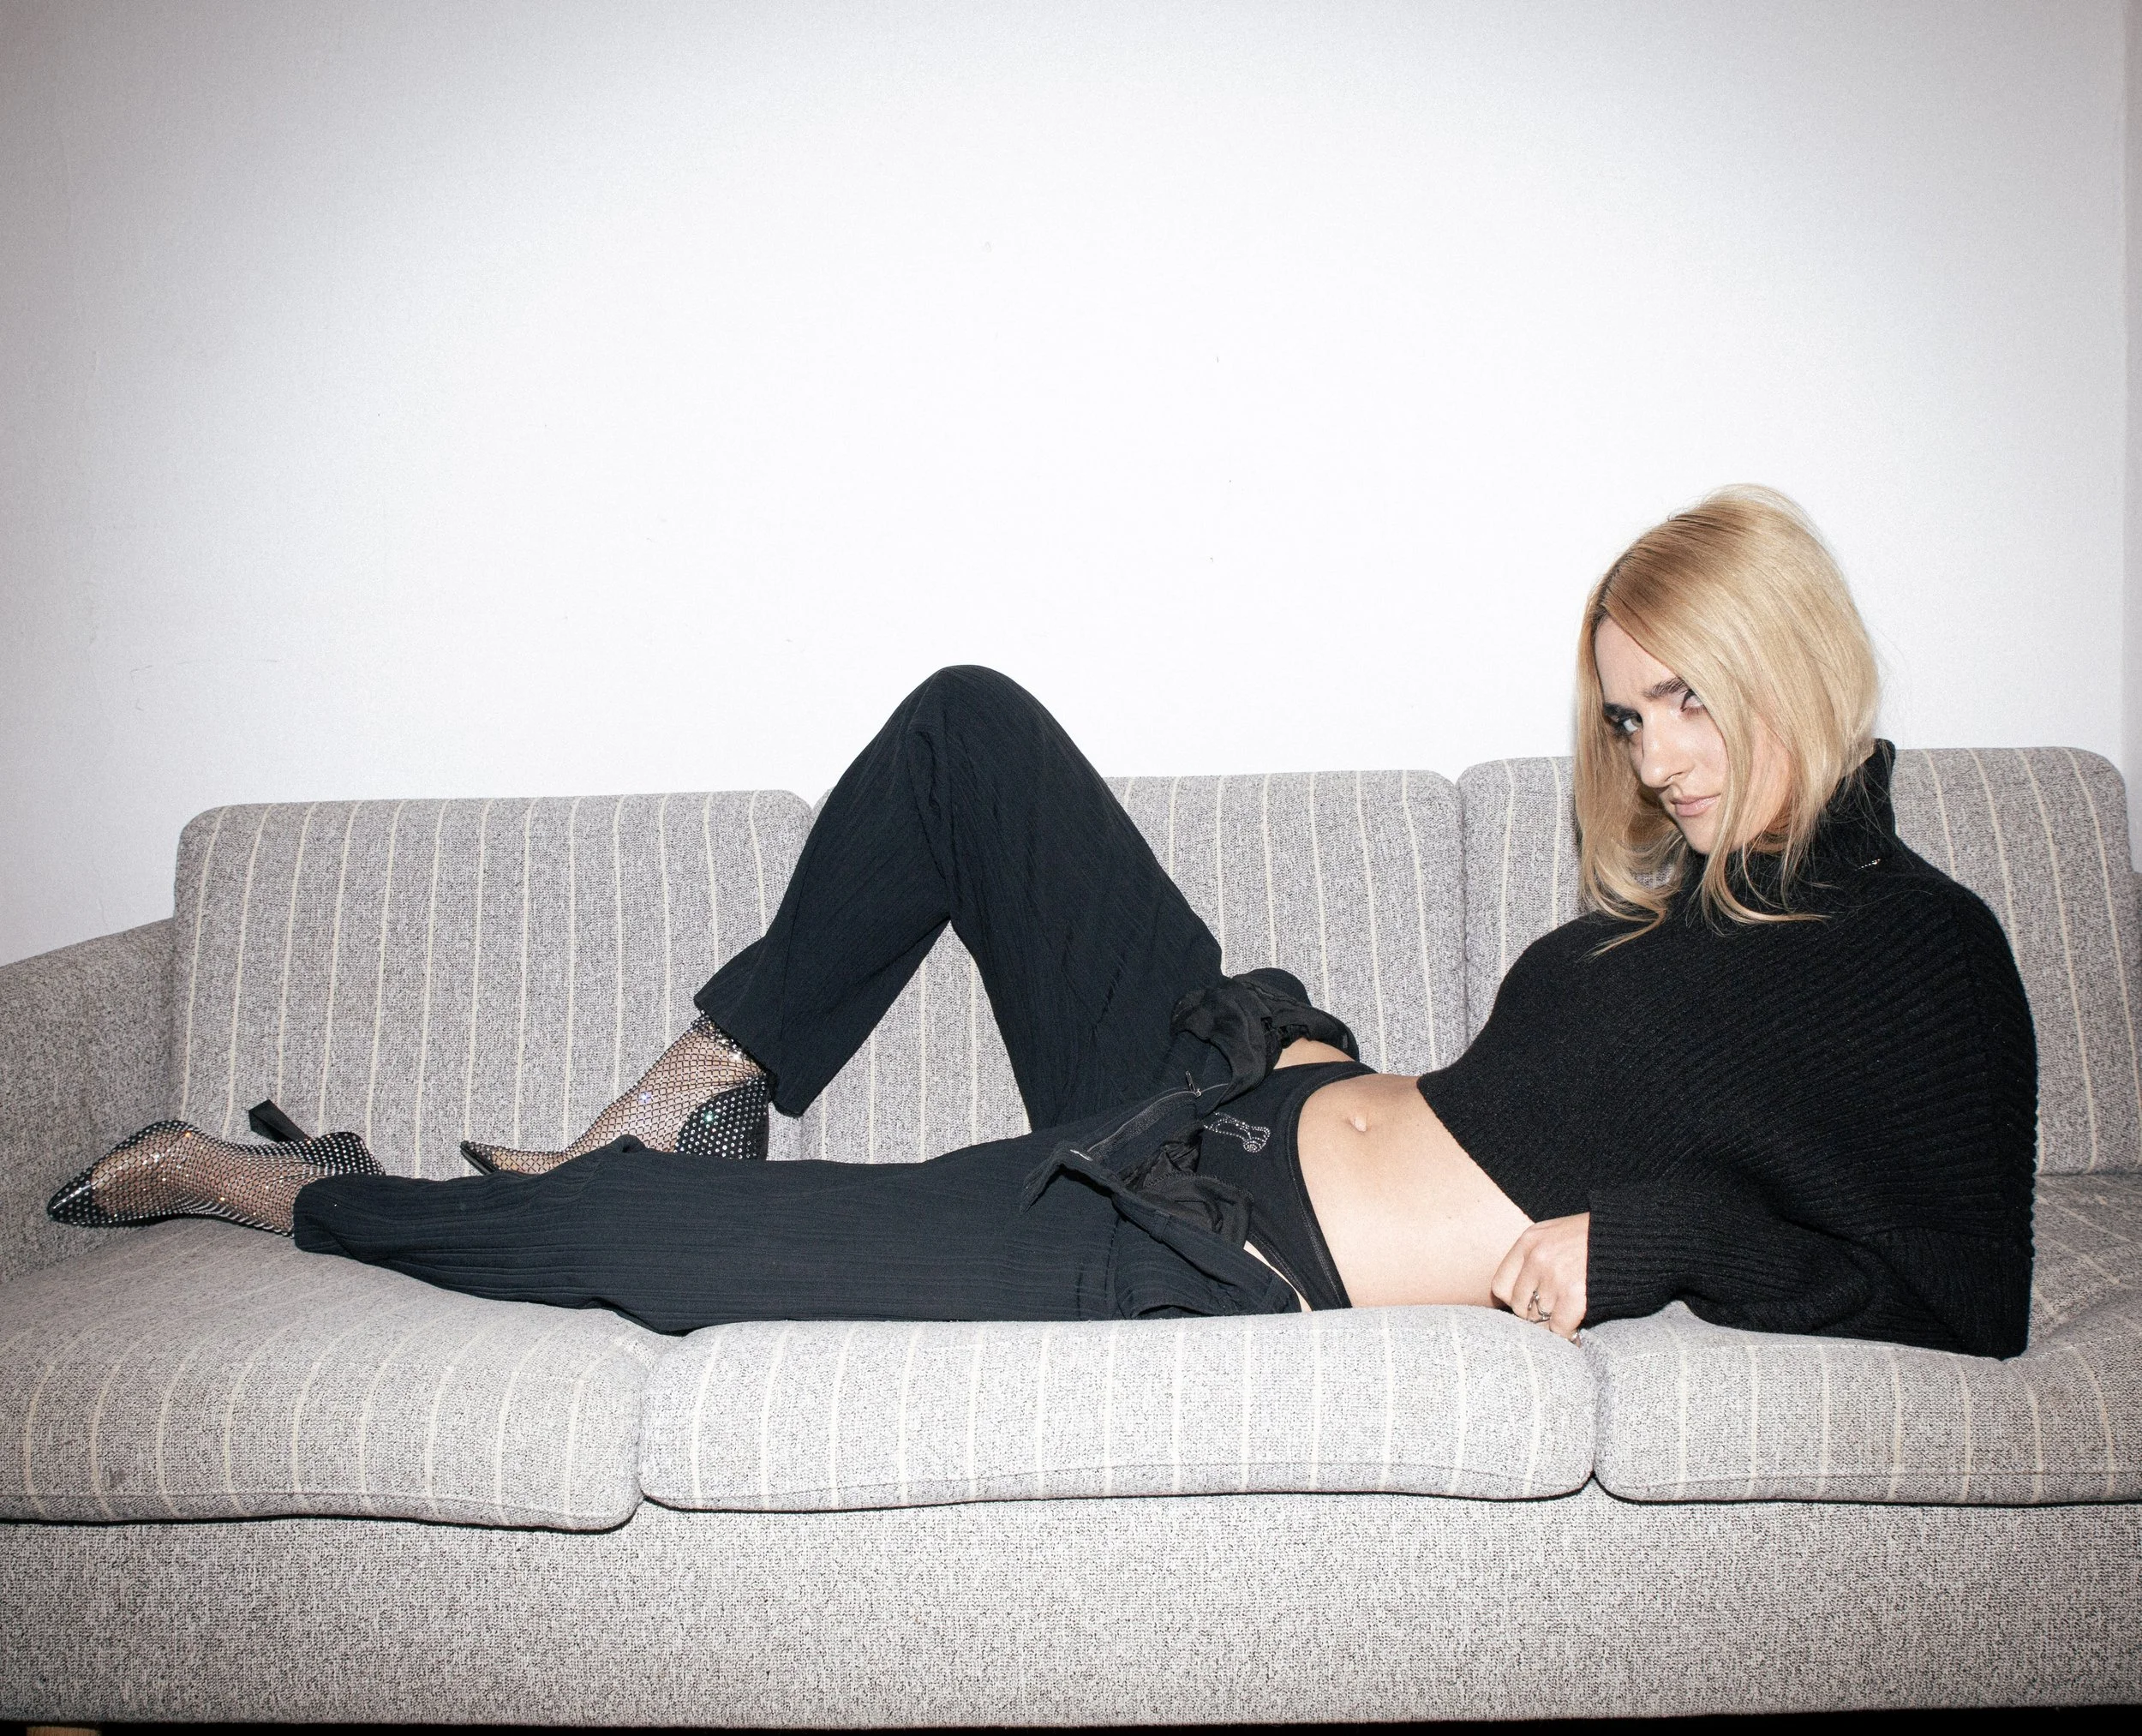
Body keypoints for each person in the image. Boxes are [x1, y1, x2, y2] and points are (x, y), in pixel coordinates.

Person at [46, 487, 2037, 1356]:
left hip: (1209, 1245)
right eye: (1624, 713)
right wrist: (1312, 1057)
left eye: (1685, 699)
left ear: (1791, 655)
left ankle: (276, 1181)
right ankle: (686, 1096)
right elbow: (1500, 1107)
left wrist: (1658, 1243)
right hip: (1248, 1095)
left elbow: (1964, 1291)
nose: (1655, 755)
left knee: (638, 1252)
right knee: (968, 732)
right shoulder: (1687, 910)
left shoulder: (1918, 955)